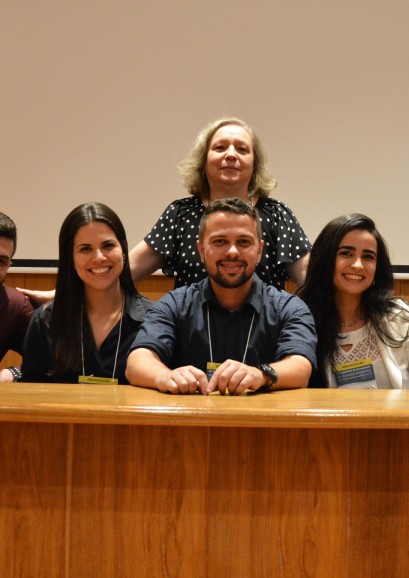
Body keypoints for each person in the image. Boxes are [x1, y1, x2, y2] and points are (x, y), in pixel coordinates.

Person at [126, 198, 317, 395]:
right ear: (201, 250)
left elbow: (301, 367)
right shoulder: (174, 304)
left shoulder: (289, 307)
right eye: (220, 241)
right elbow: (138, 361)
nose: (232, 252)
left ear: (259, 251)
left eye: (243, 242)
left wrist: (260, 374)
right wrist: (164, 376)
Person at [128, 116, 311, 290]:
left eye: (242, 149)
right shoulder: (180, 214)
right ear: (203, 161)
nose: (231, 155)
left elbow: (313, 279)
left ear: (255, 164)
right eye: (220, 147)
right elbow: (130, 269)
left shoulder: (276, 215)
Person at [297, 214, 409, 389]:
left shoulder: (402, 319)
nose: (357, 265)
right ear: (325, 259)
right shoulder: (301, 320)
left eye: (368, 256)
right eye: (346, 253)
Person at [20, 203, 152, 384]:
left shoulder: (154, 319)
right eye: (85, 249)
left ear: (123, 249)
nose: (99, 257)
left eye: (107, 245)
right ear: (70, 258)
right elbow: (30, 396)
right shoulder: (45, 321)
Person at [0, 212, 34, 382]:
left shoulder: (15, 305)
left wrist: (9, 374)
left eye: (1, 261)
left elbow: (43, 362)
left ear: (9, 265)